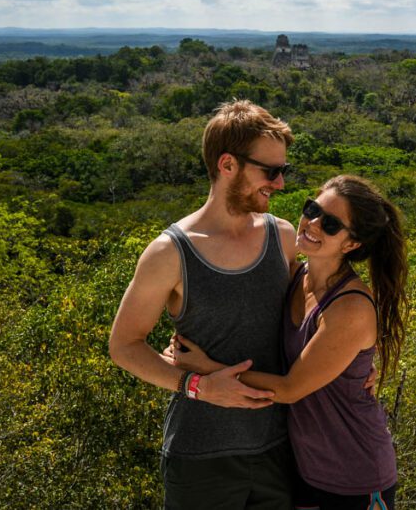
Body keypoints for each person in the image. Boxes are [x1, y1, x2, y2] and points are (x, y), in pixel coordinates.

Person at [168, 174, 408, 510]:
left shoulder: (349, 307)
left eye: (331, 224)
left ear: (352, 244)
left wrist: (206, 367)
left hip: (355, 474)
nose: (312, 223)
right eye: (312, 209)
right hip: (304, 469)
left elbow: (290, 388)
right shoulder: (296, 276)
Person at [109, 99, 300, 509]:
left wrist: (356, 366)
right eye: (270, 171)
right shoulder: (170, 253)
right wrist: (197, 387)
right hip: (200, 457)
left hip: (281, 449)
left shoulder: (282, 238)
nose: (280, 183)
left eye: (284, 171)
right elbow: (124, 345)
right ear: (227, 164)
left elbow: (310, 321)